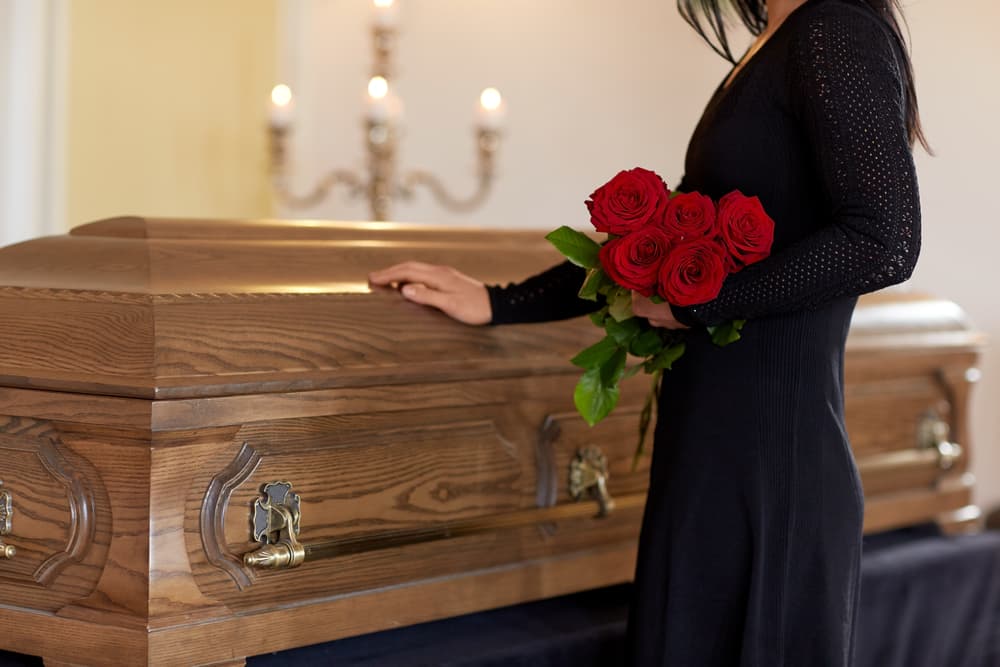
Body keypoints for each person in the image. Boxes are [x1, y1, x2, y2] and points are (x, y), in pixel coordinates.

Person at [369, 0, 923, 663]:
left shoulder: (833, 28)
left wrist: (702, 304)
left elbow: (885, 239)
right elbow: (657, 243)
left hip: (774, 466)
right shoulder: (774, 41)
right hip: (710, 450)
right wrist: (498, 300)